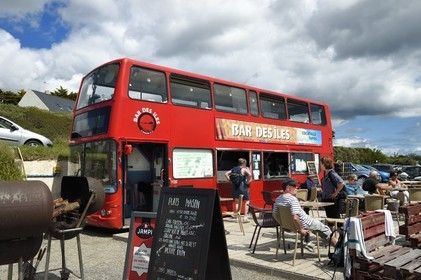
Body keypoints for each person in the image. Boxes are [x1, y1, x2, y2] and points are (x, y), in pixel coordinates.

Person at [272, 178, 337, 247]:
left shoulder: (278, 198)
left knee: (320, 229)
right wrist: (301, 230)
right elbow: (295, 218)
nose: (296, 187)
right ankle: (339, 250)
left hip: (291, 226)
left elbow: (274, 214)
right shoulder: (292, 199)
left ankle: (331, 244)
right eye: (294, 186)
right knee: (326, 229)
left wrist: (282, 224)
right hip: (306, 223)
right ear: (288, 188)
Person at [225, 158, 252, 222]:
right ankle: (245, 217)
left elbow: (226, 174)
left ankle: (237, 218)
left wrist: (230, 181)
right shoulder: (244, 169)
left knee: (237, 202)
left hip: (235, 186)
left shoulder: (234, 169)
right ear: (244, 163)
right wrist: (248, 182)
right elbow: (250, 175)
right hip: (242, 185)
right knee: (246, 201)